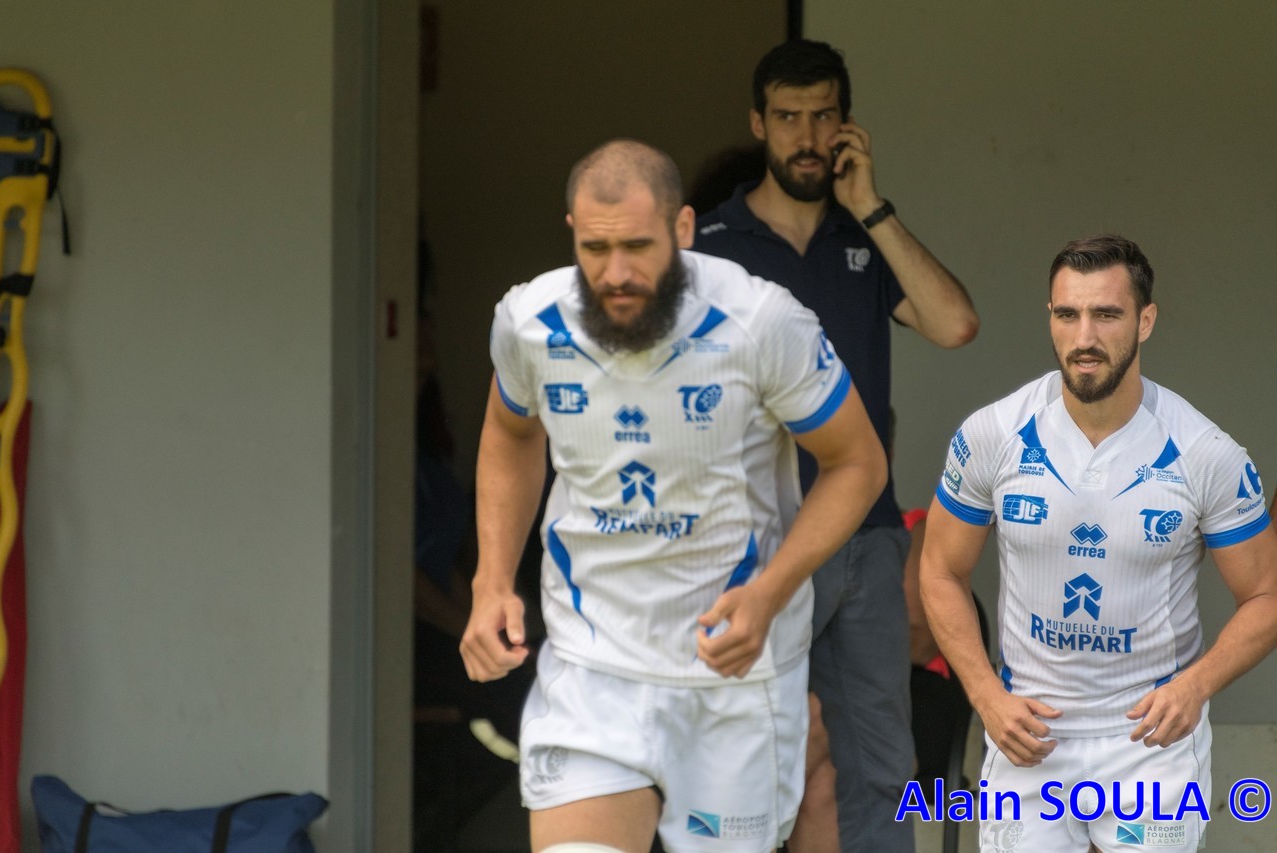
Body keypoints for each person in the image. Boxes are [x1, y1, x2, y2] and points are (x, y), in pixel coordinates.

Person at [459, 139, 888, 853]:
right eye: (595, 249)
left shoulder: (762, 322)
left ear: (683, 229)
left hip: (732, 676)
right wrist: (491, 581)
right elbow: (510, 432)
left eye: (638, 246)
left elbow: (858, 464)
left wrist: (771, 592)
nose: (616, 274)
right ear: (572, 231)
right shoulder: (530, 320)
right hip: (591, 667)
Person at [692, 39, 978, 853]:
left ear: (847, 125)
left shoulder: (864, 238)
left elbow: (956, 324)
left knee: (881, 767)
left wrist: (873, 206)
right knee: (743, 765)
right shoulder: (709, 245)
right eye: (788, 117)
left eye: (823, 117)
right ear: (759, 124)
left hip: (868, 538)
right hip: (757, 540)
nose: (807, 136)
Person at [921, 234, 1277, 852]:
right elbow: (939, 570)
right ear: (1050, 319)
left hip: (1151, 740)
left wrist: (1195, 687)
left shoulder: (1205, 453)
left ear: (1146, 321)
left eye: (1107, 314)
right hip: (1026, 733)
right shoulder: (993, 434)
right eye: (1068, 314)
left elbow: (1266, 596)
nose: (1084, 337)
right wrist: (984, 695)